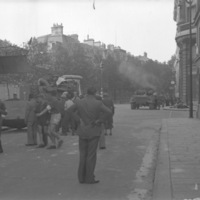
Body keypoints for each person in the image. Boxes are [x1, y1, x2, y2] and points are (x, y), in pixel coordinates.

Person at [68, 87, 112, 184]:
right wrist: (100, 120)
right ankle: (89, 178)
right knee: (91, 156)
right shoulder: (98, 103)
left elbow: (69, 110)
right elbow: (108, 112)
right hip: (93, 130)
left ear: (86, 93)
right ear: (95, 93)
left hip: (82, 130)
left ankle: (81, 178)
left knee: (83, 155)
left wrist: (77, 119)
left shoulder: (79, 102)